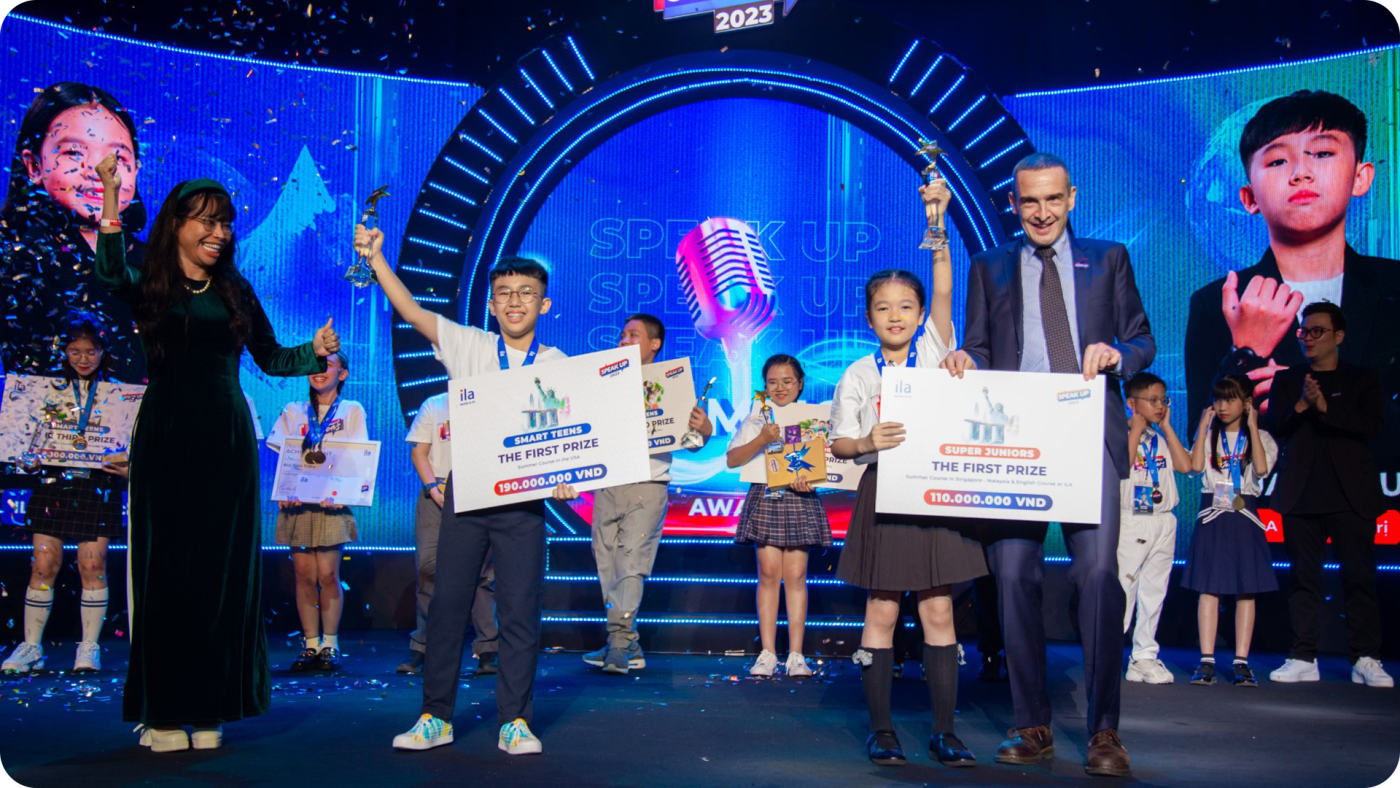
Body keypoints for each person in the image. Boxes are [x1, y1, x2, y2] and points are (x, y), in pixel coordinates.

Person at [93, 154, 338, 753]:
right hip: (167, 437)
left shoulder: (234, 289)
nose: (219, 232)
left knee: (220, 575)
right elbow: (109, 272)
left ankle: (210, 705)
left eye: (225, 222)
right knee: (166, 574)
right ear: (177, 225)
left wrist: (314, 350)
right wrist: (110, 192)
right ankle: (162, 712)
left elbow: (272, 358)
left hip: (227, 442)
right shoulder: (151, 285)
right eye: (206, 220)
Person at [942, 152, 1154, 777]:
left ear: (1072, 197)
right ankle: (1032, 723)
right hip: (1015, 442)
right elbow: (979, 346)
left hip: (1088, 434)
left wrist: (1117, 355)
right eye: (1029, 201)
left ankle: (1105, 731)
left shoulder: (1108, 258)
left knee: (1098, 576)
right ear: (1014, 203)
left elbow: (1142, 340)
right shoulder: (989, 265)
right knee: (1011, 576)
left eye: (1053, 199)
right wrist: (965, 360)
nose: (1041, 212)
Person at [357, 224, 572, 756]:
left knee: (519, 610)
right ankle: (435, 716)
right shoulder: (471, 345)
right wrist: (377, 261)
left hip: (523, 500)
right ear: (492, 306)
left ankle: (515, 721)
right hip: (467, 492)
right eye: (504, 294)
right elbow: (412, 312)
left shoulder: (558, 365)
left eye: (526, 293)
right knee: (448, 605)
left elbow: (569, 435)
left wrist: (567, 475)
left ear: (544, 304)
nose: (515, 301)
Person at [829, 176, 981, 769]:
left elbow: (944, 283)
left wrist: (936, 220)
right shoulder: (858, 374)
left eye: (906, 307)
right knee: (883, 610)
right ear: (870, 317)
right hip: (883, 491)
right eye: (883, 308)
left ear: (921, 315)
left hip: (936, 488)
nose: (896, 316)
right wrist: (867, 440)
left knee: (939, 610)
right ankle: (883, 731)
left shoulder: (937, 348)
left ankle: (945, 732)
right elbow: (839, 443)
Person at [1184, 90, 1399, 462]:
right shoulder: (1215, 303)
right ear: (1249, 198)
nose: (1301, 173)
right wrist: (1245, 354)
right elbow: (1204, 452)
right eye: (1278, 161)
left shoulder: (1394, 287)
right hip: (1272, 498)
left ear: (1360, 177)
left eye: (1323, 153)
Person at [1264, 302, 1392, 687]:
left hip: (1351, 494)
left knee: (1359, 577)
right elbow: (1276, 425)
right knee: (1304, 578)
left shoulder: (1363, 379)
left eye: (1317, 331)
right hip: (1301, 493)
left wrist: (1325, 408)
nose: (1308, 338)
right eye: (1304, 331)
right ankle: (1303, 656)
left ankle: (1366, 658)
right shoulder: (1289, 379)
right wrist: (1303, 405)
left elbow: (1374, 426)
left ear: (1339, 336)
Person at [582, 313, 712, 675]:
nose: (624, 340)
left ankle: (618, 645)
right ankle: (627, 641)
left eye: (633, 335)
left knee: (630, 564)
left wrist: (704, 428)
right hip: (608, 483)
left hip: (648, 484)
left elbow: (694, 441)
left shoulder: (671, 385)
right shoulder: (605, 383)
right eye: (622, 335)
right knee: (606, 563)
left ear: (654, 344)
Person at [1, 321, 128, 675]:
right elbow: (23, 443)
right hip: (53, 485)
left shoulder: (120, 395)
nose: (83, 359)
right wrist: (26, 459)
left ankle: (88, 647)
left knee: (92, 567)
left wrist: (127, 468)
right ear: (64, 353)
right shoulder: (46, 391)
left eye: (90, 352)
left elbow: (129, 448)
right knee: (43, 566)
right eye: (75, 352)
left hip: (97, 486)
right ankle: (31, 647)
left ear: (102, 352)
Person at [0, 82, 147, 381]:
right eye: (74, 152)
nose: (98, 170)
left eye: (118, 158)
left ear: (135, 168)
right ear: (33, 165)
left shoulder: (156, 260)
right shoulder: (12, 255)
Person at [726, 354, 831, 678]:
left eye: (787, 381)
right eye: (772, 382)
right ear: (765, 386)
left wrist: (811, 479)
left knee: (796, 575)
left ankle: (796, 655)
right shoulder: (756, 417)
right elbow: (732, 459)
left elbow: (828, 462)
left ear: (800, 384)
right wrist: (762, 439)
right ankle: (768, 653)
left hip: (799, 498)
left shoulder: (813, 418)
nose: (780, 387)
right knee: (769, 574)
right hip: (766, 495)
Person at [267, 352, 367, 673]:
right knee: (303, 574)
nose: (319, 370)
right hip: (298, 503)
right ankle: (310, 643)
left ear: (343, 373)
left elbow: (357, 457)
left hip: (331, 504)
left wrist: (342, 493)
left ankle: (330, 644)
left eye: (328, 365)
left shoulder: (352, 410)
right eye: (315, 365)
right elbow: (282, 457)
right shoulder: (293, 410)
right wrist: (284, 489)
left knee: (327, 574)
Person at [1181, 374, 1278, 687]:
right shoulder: (1210, 435)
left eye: (1230, 399)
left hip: (1244, 513)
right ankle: (1206, 661)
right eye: (1218, 399)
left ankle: (1241, 663)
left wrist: (1252, 425)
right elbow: (1196, 467)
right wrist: (1201, 428)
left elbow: (1261, 469)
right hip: (1212, 513)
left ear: (1246, 403)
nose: (1222, 406)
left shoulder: (1262, 438)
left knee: (1245, 589)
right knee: (1208, 588)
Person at [398, 391, 499, 676]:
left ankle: (488, 650)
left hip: (479, 490)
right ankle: (423, 646)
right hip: (437, 491)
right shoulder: (435, 404)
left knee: (481, 574)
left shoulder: (492, 398)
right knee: (428, 569)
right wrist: (432, 488)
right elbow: (419, 451)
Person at [1117, 372, 1190, 685]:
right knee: (1124, 589)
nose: (1160, 406)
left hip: (1164, 519)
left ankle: (1143, 656)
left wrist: (1168, 429)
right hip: (1132, 519)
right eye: (1152, 400)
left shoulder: (1161, 438)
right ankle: (1110, 651)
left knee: (1154, 590)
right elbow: (1121, 467)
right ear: (1132, 403)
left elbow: (1186, 466)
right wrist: (1135, 428)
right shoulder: (1120, 433)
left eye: (1163, 400)